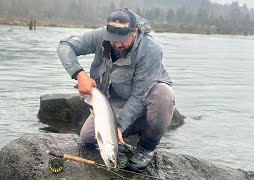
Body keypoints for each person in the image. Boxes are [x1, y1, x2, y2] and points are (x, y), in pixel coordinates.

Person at [57, 8, 175, 171]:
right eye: (113, 39)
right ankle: (143, 125)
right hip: (114, 97)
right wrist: (79, 74)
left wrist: (118, 127)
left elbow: (139, 97)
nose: (117, 44)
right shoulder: (100, 35)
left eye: (122, 39)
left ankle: (147, 146)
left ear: (134, 32)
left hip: (146, 96)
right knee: (87, 138)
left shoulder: (150, 49)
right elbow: (65, 46)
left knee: (165, 95)